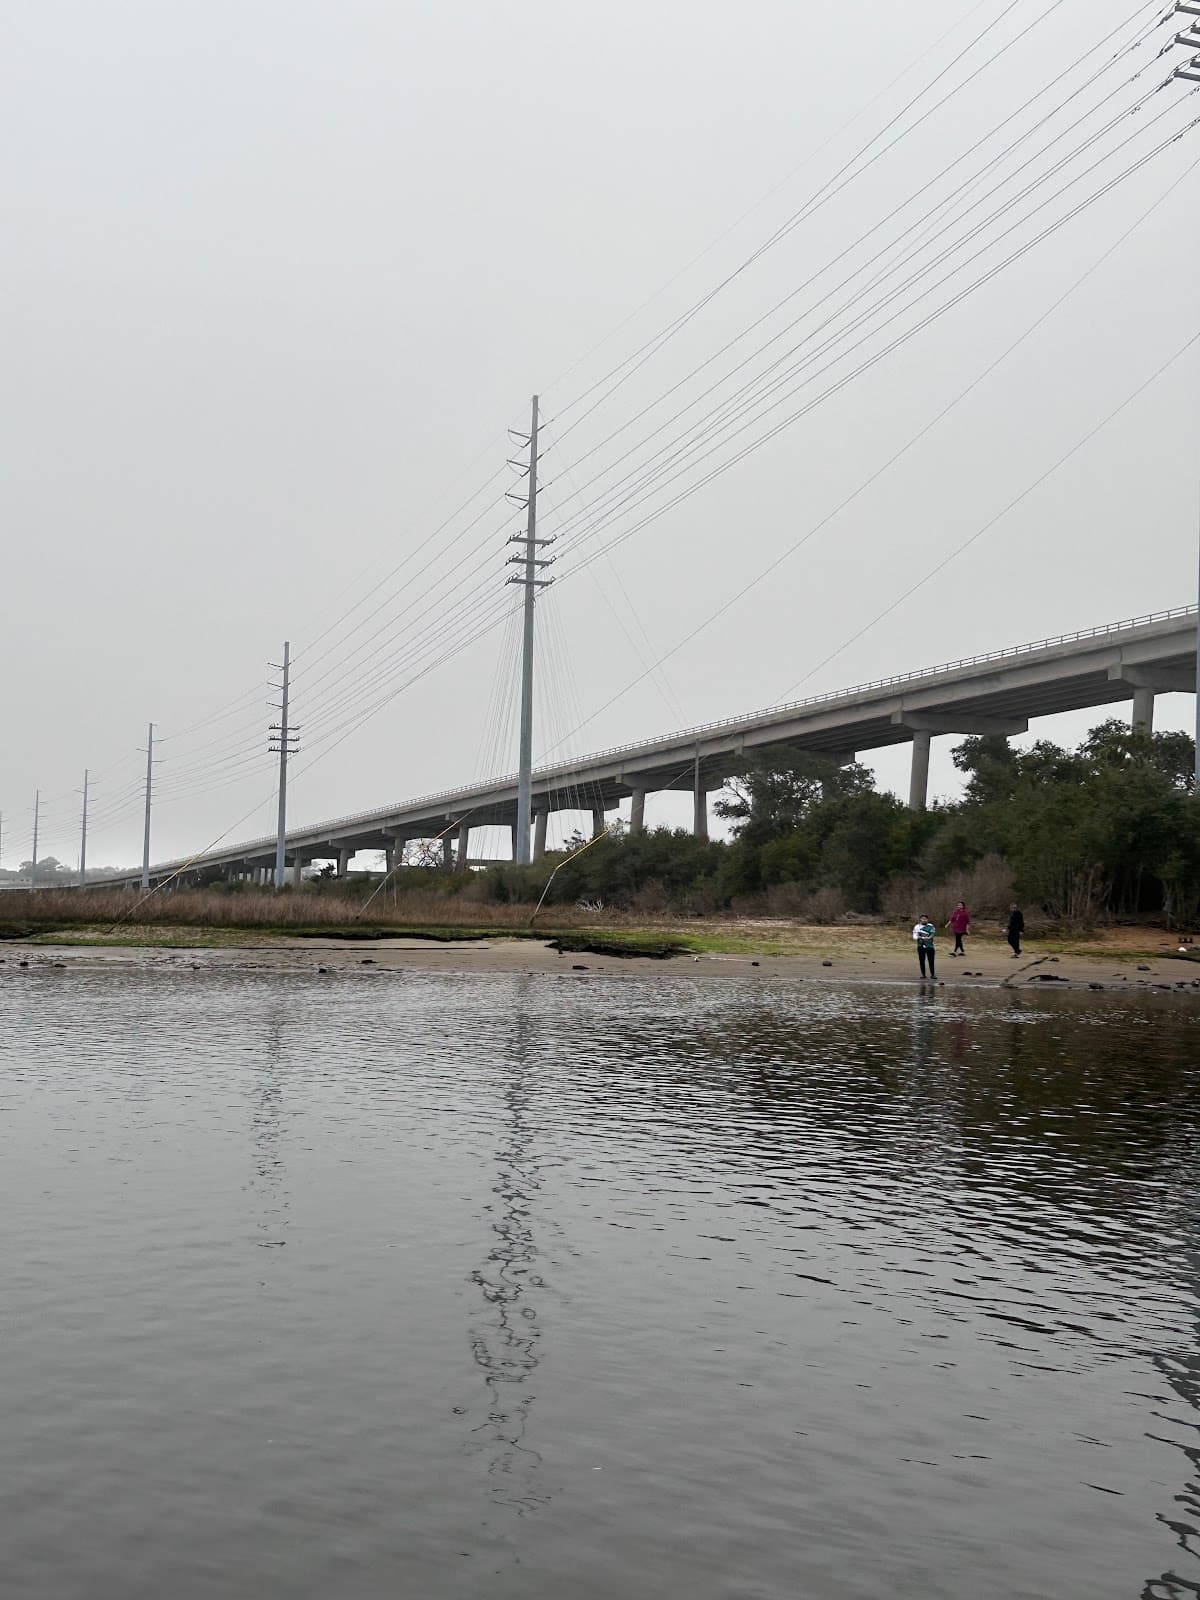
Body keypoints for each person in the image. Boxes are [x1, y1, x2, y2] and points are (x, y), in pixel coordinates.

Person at [912, 913, 937, 980]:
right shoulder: (917, 927)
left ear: (927, 919)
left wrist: (929, 938)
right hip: (920, 946)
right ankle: (923, 975)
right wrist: (919, 937)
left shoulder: (931, 926)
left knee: (931, 961)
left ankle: (932, 975)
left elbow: (932, 934)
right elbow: (914, 936)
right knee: (922, 961)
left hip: (930, 946)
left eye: (925, 919)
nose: (924, 920)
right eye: (923, 919)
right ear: (920, 919)